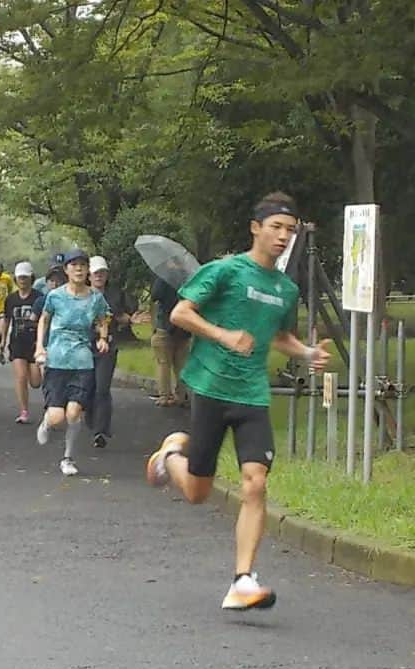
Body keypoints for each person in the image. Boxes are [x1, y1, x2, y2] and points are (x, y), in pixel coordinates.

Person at [144, 192, 331, 611]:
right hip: (211, 387)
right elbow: (181, 314)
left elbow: (278, 335)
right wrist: (224, 335)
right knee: (196, 492)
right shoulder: (226, 271)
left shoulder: (285, 289)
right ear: (256, 228)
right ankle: (171, 455)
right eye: (276, 227)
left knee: (256, 481)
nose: (284, 237)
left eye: (291, 230)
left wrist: (306, 353)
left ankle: (242, 579)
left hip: (252, 395)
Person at [34, 249, 111, 477]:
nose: (78, 269)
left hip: (82, 361)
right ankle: (47, 422)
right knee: (58, 416)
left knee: (74, 412)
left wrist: (102, 338)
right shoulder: (55, 296)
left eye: (82, 265)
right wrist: (40, 346)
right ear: (66, 270)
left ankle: (68, 457)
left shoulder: (96, 298)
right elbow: (44, 320)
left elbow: (103, 318)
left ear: (87, 270)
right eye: (73, 265)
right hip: (57, 360)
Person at [86, 255, 136, 448]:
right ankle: (92, 418)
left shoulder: (115, 294)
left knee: (102, 387)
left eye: (102, 273)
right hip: (85, 345)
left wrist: (130, 319)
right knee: (88, 388)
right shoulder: (82, 294)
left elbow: (122, 316)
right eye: (96, 273)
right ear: (89, 276)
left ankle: (101, 429)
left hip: (108, 345)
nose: (99, 276)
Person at [0, 261, 43, 424]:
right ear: (16, 279)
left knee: (36, 382)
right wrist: (2, 342)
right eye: (20, 278)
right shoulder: (11, 299)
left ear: (31, 278)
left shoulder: (39, 298)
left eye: (25, 277)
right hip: (17, 343)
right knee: (21, 377)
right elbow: (6, 320)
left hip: (35, 343)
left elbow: (46, 319)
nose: (22, 280)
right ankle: (24, 411)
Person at [150, 276, 191, 407]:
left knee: (163, 363)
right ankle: (181, 395)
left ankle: (165, 396)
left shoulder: (164, 277)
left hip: (165, 325)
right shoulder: (189, 277)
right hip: (184, 327)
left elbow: (155, 295)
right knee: (181, 364)